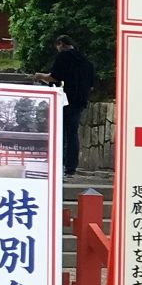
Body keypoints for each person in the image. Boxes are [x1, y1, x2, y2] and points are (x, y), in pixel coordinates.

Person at [48, 34, 96, 178]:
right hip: (79, 101)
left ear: (61, 44)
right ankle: (70, 168)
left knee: (59, 133)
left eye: (57, 46)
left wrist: (39, 76)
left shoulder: (63, 57)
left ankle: (57, 164)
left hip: (63, 100)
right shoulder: (86, 61)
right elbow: (92, 86)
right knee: (72, 134)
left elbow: (54, 77)